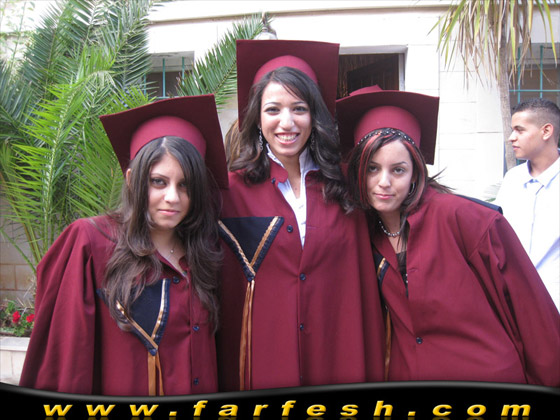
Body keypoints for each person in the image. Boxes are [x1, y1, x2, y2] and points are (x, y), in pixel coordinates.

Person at [339, 86, 560, 386]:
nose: (384, 182)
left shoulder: (467, 219)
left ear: (415, 172)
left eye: (398, 170)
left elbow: (531, 312)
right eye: (372, 169)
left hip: (484, 376)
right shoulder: (363, 233)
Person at [19, 95, 228, 396]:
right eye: (158, 181)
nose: (173, 197)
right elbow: (65, 360)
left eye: (185, 185)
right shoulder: (91, 243)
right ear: (132, 179)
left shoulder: (204, 253)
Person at [217, 40, 386, 391]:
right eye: (273, 110)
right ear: (256, 117)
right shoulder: (229, 194)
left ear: (314, 115)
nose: (287, 122)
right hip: (264, 359)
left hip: (336, 352)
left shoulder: (347, 187)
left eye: (299, 108)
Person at [495, 98, 559, 311]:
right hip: (513, 304)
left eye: (520, 130)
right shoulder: (512, 179)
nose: (511, 137)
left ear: (546, 131)